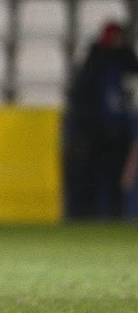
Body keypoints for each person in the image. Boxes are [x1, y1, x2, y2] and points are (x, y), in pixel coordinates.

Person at [62, 21, 138, 219]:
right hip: (96, 132)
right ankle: (86, 217)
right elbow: (82, 98)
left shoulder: (118, 61)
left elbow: (133, 66)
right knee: (91, 178)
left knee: (116, 179)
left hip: (115, 131)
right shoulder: (95, 61)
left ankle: (114, 215)